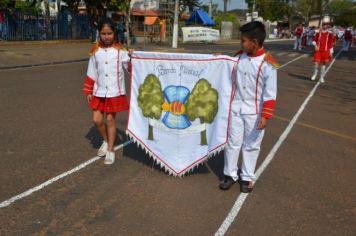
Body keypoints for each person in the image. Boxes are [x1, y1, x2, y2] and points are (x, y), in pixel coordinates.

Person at [219, 21, 278, 193]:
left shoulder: (269, 63)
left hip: (255, 112)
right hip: (236, 109)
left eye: (243, 41)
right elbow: (225, 67)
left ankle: (247, 177)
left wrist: (265, 116)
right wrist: (219, 59)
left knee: (251, 145)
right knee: (232, 143)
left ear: (255, 42)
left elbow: (271, 93)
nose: (241, 44)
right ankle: (229, 174)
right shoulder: (239, 57)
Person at [82, 18, 132, 164]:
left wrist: (132, 56)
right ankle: (106, 140)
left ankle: (110, 149)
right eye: (103, 33)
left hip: (114, 92)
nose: (107, 36)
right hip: (99, 91)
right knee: (96, 120)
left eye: (109, 33)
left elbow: (130, 69)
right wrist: (88, 91)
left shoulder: (121, 51)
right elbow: (91, 72)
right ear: (99, 34)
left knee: (110, 120)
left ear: (114, 33)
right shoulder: (95, 51)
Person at [311, 18, 335, 83]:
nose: (325, 26)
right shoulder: (318, 32)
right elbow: (314, 40)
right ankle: (314, 74)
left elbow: (331, 43)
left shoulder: (330, 33)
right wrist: (315, 45)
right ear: (322, 25)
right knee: (316, 63)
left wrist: (331, 52)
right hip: (318, 50)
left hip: (325, 51)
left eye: (327, 25)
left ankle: (321, 77)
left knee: (323, 64)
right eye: (324, 24)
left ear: (328, 26)